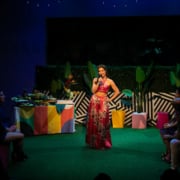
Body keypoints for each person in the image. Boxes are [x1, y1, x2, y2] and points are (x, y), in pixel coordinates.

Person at [85, 64, 120, 149]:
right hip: (94, 100)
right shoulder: (96, 79)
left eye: (102, 70)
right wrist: (97, 83)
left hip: (103, 101)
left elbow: (117, 91)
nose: (101, 72)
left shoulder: (110, 81)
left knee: (103, 122)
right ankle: (93, 143)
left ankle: (102, 143)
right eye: (99, 71)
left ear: (105, 71)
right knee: (94, 121)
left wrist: (110, 99)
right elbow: (93, 91)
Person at [0, 91, 28, 162]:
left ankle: (17, 154)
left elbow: (6, 120)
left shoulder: (1, 107)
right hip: (1, 134)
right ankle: (18, 154)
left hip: (4, 130)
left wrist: (11, 126)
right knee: (21, 135)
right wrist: (8, 129)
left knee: (17, 130)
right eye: (2, 95)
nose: (4, 96)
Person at [160, 88, 180, 163]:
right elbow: (175, 118)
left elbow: (178, 122)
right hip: (176, 129)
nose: (175, 96)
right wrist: (169, 124)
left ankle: (170, 155)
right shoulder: (177, 109)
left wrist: (170, 126)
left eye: (176, 94)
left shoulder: (177, 103)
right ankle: (169, 152)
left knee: (166, 135)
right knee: (163, 130)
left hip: (177, 132)